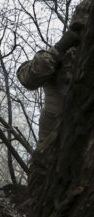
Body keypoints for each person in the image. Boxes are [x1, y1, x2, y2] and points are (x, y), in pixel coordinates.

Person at [17, 0, 91, 148]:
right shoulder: (59, 57)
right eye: (78, 28)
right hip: (52, 153)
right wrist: (60, 48)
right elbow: (28, 79)